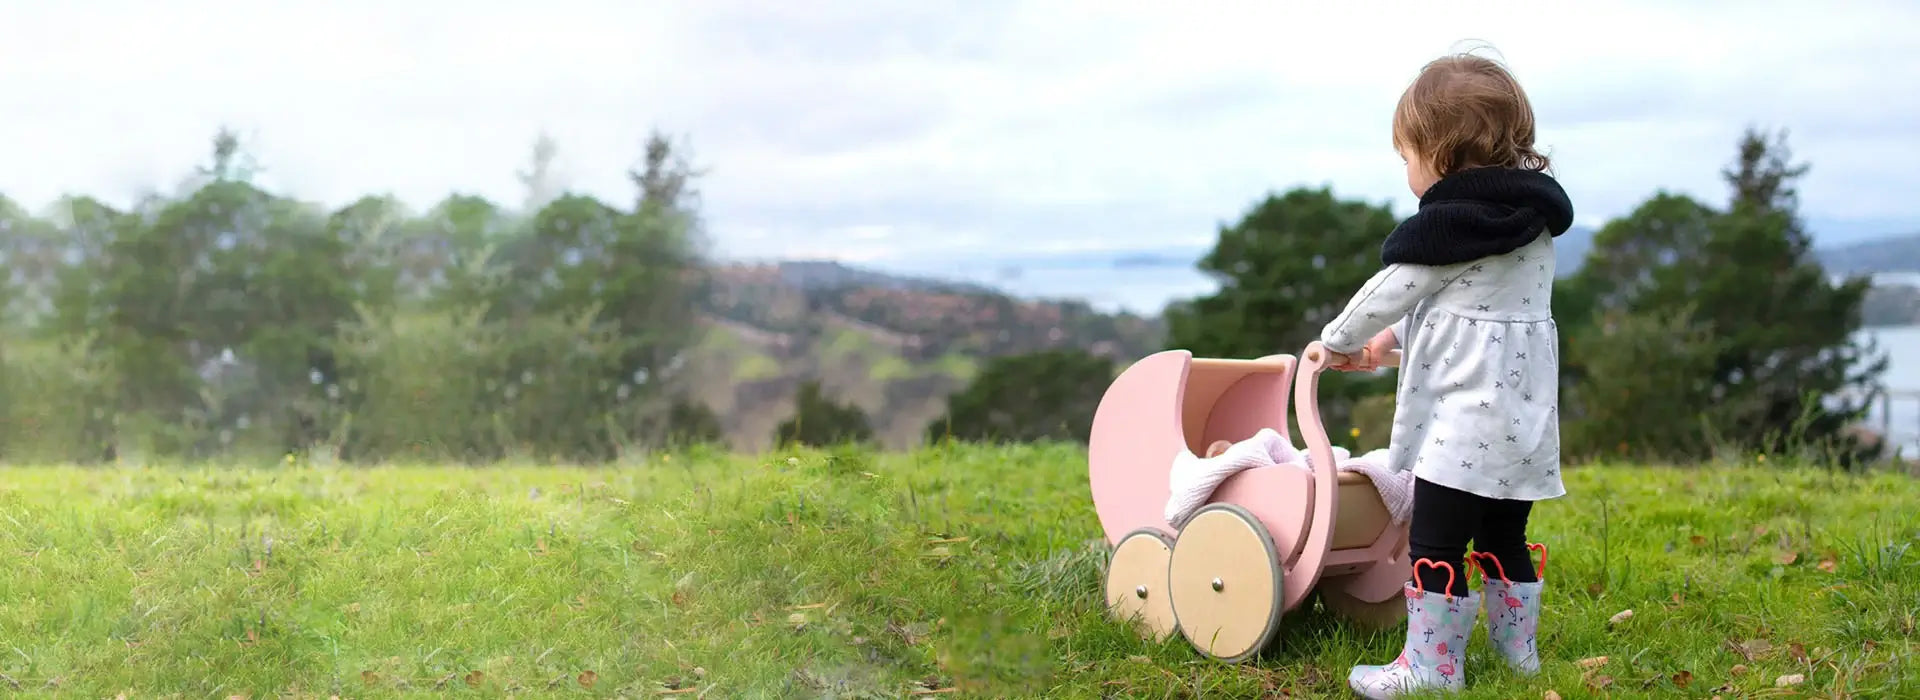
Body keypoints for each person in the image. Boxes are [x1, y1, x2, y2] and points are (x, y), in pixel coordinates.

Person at [1318, 49, 1573, 698]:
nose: (1406, 170)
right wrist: (1387, 347)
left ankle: (1431, 668)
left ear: (1443, 154)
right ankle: (1520, 657)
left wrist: (1339, 340)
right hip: (1521, 421)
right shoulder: (1529, 224)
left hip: (1463, 431)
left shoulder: (1450, 228)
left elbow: (1395, 289)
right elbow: (1471, 310)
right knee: (1503, 537)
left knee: (1435, 541)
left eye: (1407, 156)